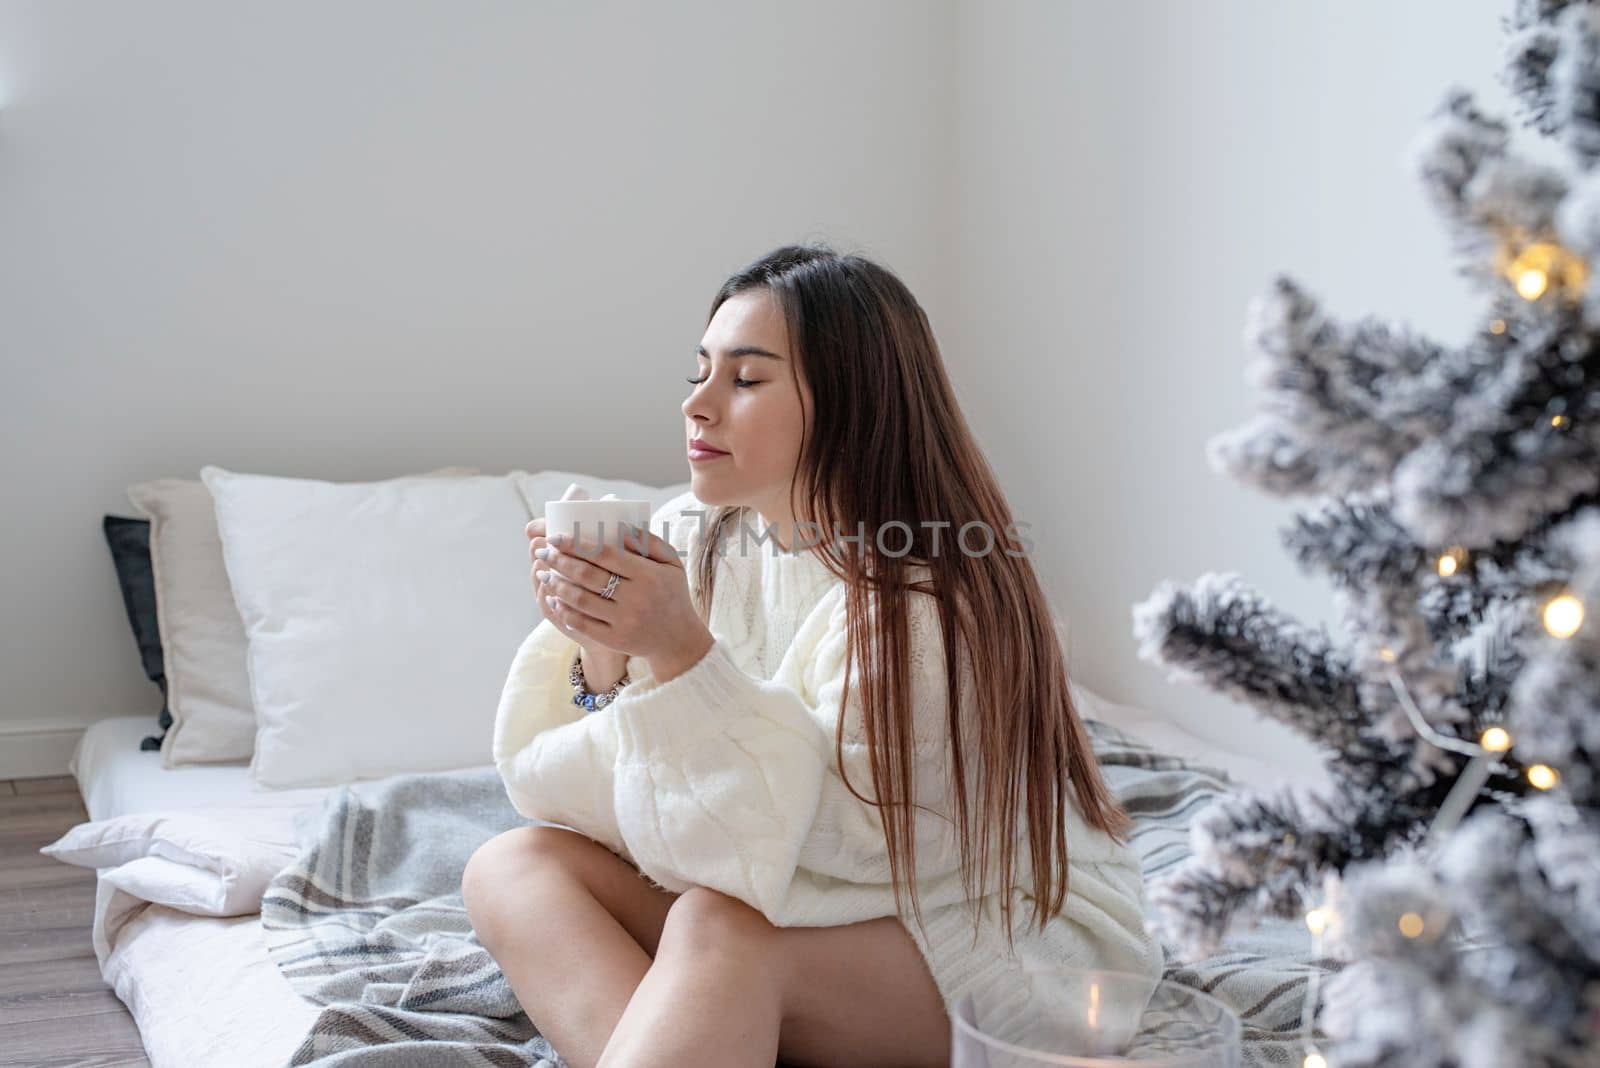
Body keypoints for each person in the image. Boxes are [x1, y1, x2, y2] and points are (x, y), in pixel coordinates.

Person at [462, 244, 1163, 1068]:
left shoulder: (924, 607)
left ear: (850, 405)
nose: (699, 405)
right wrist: (604, 655)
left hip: (992, 928)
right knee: (514, 864)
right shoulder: (695, 535)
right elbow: (570, 800)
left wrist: (683, 657)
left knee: (717, 928)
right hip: (776, 897)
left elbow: (818, 860)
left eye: (746, 379)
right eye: (699, 373)